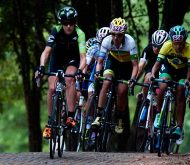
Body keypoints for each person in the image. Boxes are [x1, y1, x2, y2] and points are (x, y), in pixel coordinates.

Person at [35, 6, 86, 139]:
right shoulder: (55, 30)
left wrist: (80, 70)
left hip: (73, 59)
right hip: (57, 58)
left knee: (70, 80)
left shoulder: (80, 33)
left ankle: (70, 116)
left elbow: (83, 57)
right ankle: (49, 123)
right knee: (52, 88)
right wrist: (41, 66)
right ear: (61, 23)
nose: (68, 26)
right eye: (65, 23)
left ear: (75, 22)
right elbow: (46, 51)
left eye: (71, 23)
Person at [92, 18, 138, 134]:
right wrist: (98, 72)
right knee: (106, 82)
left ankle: (120, 118)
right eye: (113, 34)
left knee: (122, 91)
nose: (116, 38)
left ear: (124, 34)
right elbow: (100, 61)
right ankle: (98, 116)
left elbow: (135, 66)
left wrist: (132, 79)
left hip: (126, 66)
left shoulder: (130, 42)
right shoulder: (107, 41)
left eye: (119, 35)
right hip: (113, 63)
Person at [150, 25, 190, 140]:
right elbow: (157, 64)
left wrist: (187, 80)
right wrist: (152, 74)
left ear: (185, 40)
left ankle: (179, 127)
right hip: (168, 68)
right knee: (163, 84)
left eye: (181, 43)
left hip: (182, 72)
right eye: (175, 43)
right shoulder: (166, 45)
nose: (178, 46)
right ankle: (159, 113)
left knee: (180, 92)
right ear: (171, 41)